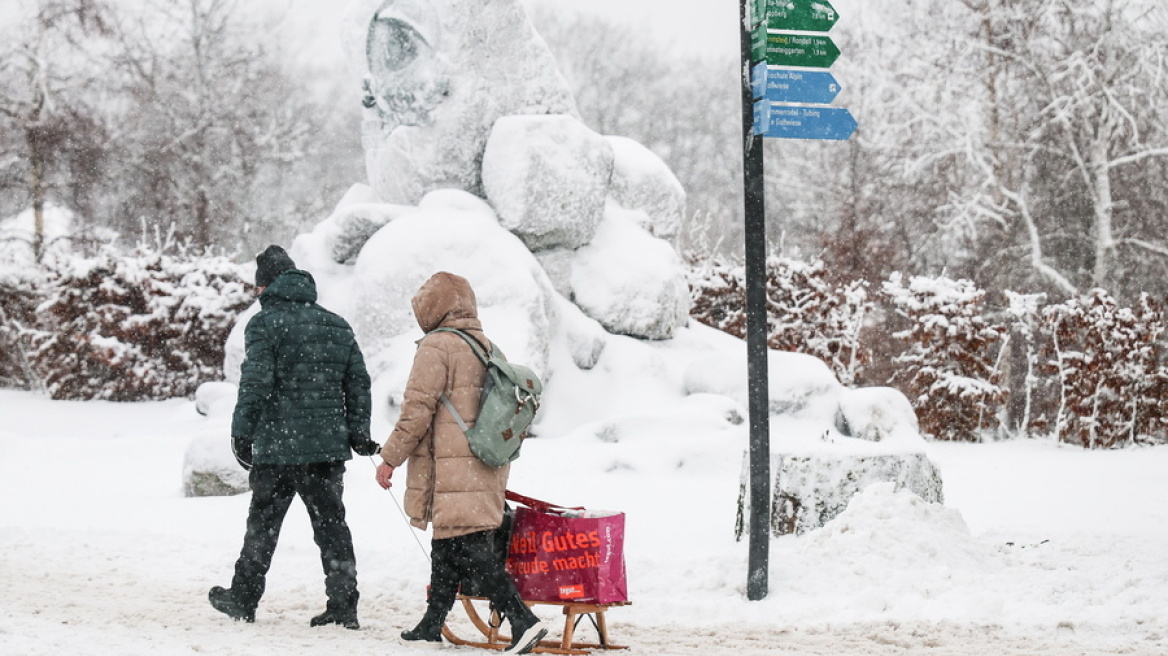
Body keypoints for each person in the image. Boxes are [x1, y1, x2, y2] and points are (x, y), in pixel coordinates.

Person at [375, 271, 548, 654]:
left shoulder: (437, 346)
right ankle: (431, 623)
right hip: (484, 461)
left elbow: (416, 410)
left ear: (431, 308)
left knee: (471, 547)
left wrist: (390, 458)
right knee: (447, 544)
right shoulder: (486, 346)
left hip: (456, 466)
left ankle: (523, 621)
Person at [209, 245, 379, 628]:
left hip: (277, 448)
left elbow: (256, 382)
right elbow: (357, 384)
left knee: (263, 526)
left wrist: (241, 433)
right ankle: (343, 605)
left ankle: (243, 598)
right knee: (332, 527)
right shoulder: (337, 325)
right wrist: (359, 434)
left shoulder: (264, 324)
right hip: (325, 449)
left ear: (266, 285)